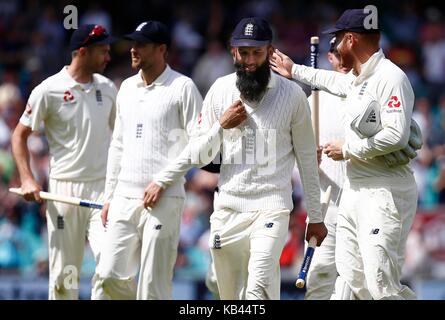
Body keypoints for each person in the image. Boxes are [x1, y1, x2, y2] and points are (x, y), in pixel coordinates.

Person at [143, 17, 327, 300]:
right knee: (228, 296)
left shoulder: (292, 96)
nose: (250, 60)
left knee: (256, 293)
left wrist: (315, 216)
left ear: (270, 51)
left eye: (257, 52)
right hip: (227, 209)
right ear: (233, 52)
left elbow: (306, 160)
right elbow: (200, 155)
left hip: (271, 209)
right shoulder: (220, 89)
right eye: (244, 52)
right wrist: (221, 126)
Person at [270, 8, 420, 299]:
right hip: (356, 190)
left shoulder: (391, 77)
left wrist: (347, 149)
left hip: (385, 189)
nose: (336, 46)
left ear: (350, 40)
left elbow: (396, 136)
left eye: (338, 39)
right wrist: (295, 70)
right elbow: (334, 82)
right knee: (355, 278)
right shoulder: (359, 79)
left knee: (380, 283)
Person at [93, 20, 203, 300]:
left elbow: (199, 145)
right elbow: (117, 144)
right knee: (107, 275)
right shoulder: (127, 88)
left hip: (164, 199)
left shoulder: (183, 87)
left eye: (141, 45)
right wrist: (109, 196)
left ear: (161, 49)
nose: (133, 50)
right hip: (124, 198)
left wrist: (163, 181)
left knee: (153, 288)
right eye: (133, 44)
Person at [11, 24, 117, 300]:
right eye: (103, 52)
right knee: (63, 278)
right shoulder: (48, 90)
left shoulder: (107, 89)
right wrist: (27, 178)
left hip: (102, 191)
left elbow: (120, 140)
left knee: (111, 269)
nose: (108, 57)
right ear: (82, 52)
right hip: (63, 193)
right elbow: (19, 136)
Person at [304, 38, 351, 300]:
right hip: (325, 204)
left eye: (347, 52)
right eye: (336, 53)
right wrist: (311, 158)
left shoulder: (371, 92)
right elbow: (299, 161)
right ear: (330, 58)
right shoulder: (315, 101)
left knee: (355, 282)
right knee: (317, 277)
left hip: (362, 200)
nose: (342, 59)